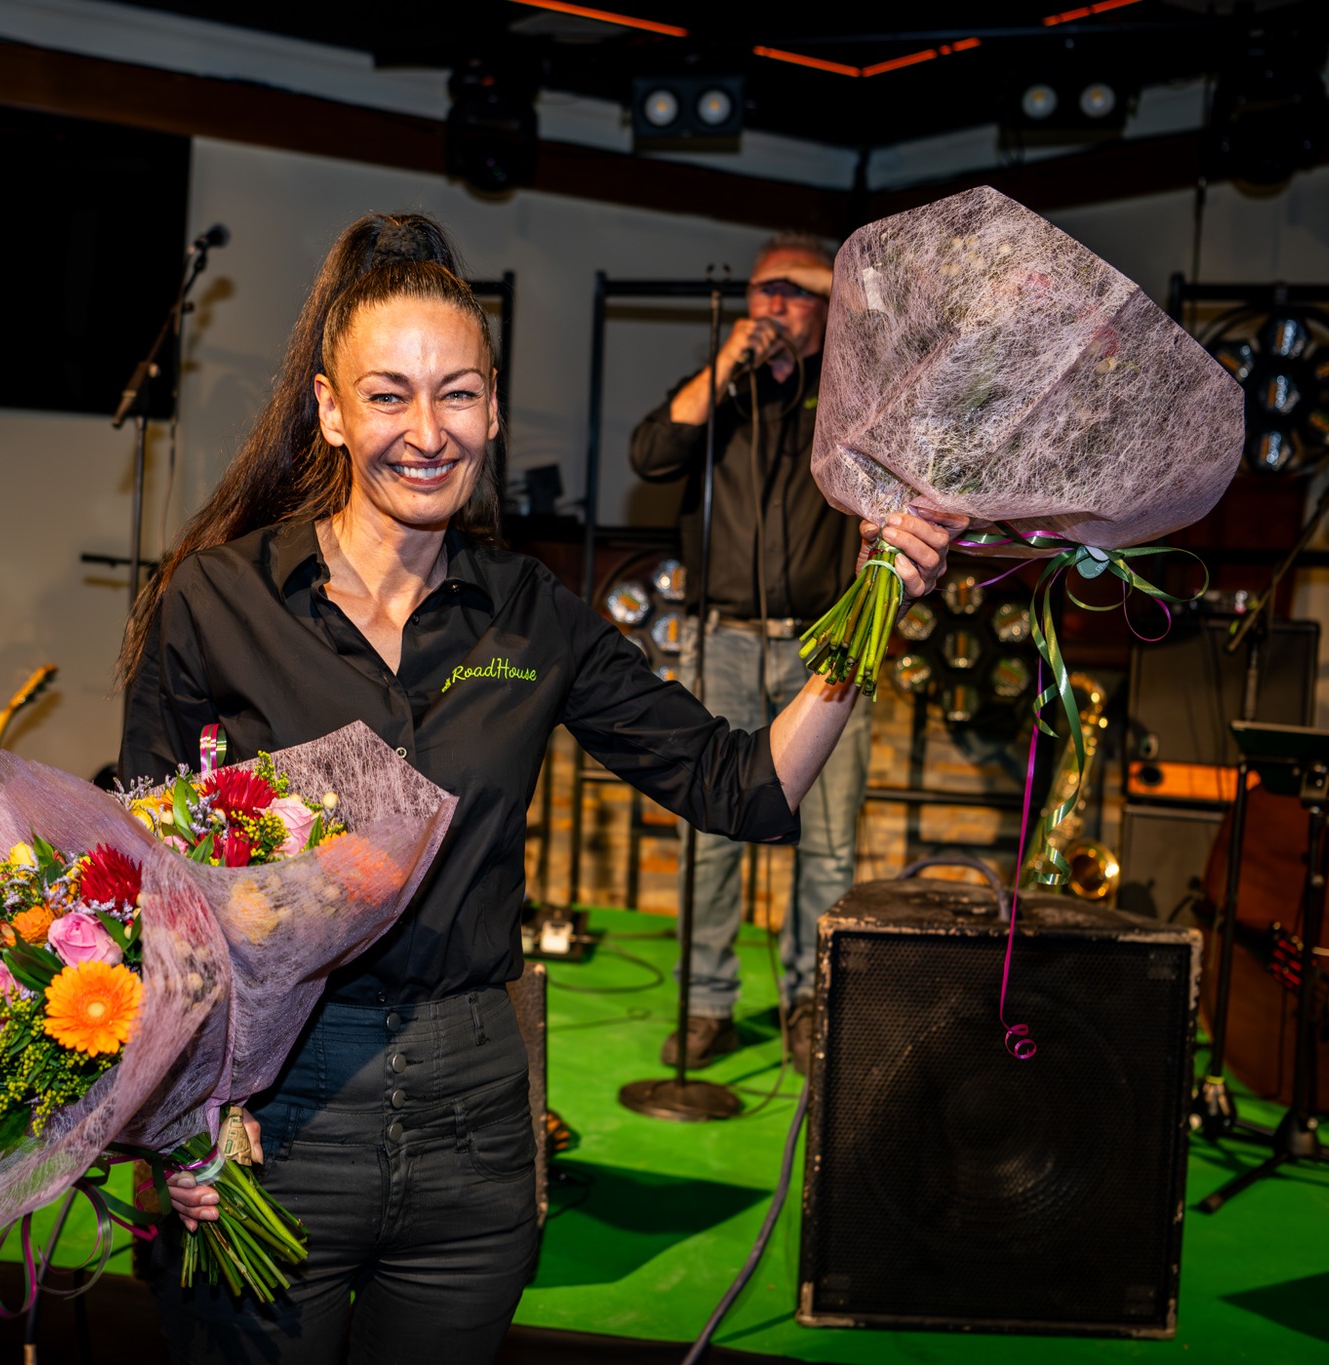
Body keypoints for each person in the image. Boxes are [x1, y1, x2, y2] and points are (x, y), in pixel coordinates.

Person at [119, 213, 960, 1364]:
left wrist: (877, 601)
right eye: (387, 396)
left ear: (493, 410)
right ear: (329, 410)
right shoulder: (217, 599)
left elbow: (742, 788)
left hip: (473, 1124)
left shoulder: (532, 616)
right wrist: (176, 1122)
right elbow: (144, 877)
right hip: (271, 1118)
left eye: (458, 395)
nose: (427, 433)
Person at [629, 232, 865, 1074]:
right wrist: (730, 358)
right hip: (721, 639)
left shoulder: (850, 392)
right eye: (763, 289)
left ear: (829, 306)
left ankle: (811, 1004)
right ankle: (706, 1006)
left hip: (826, 648)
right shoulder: (722, 394)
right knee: (712, 832)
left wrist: (833, 288)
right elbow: (650, 453)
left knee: (827, 843)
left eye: (795, 291)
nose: (774, 304)